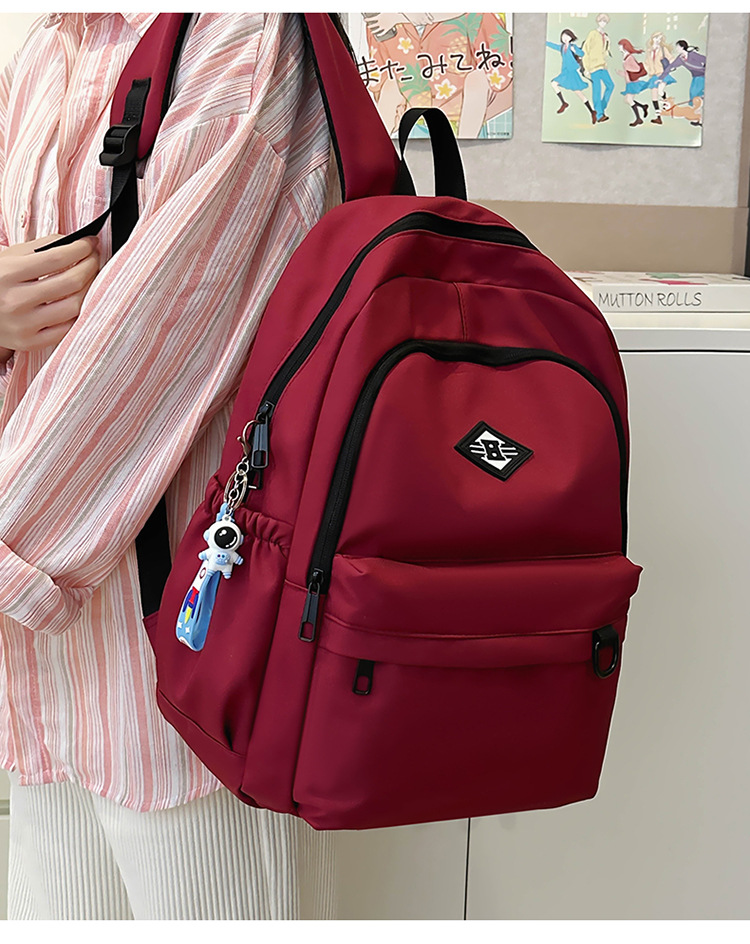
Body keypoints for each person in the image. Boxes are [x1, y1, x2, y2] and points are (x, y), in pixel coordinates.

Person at [0, 12, 338, 920]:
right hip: (42, 678)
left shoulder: (244, 33)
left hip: (187, 662)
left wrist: (8, 548)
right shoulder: (47, 47)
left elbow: (162, 334)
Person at [545, 28, 596, 124]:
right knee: (554, 83)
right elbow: (552, 45)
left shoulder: (573, 46)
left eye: (567, 36)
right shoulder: (561, 47)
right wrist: (544, 42)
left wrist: (575, 50)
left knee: (579, 93)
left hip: (572, 73)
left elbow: (582, 53)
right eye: (563, 36)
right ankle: (564, 103)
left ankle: (592, 111)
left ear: (571, 38)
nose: (565, 38)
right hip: (565, 72)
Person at [660, 38, 706, 126]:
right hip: (696, 76)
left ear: (682, 47)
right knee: (693, 94)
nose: (676, 49)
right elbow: (671, 66)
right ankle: (697, 118)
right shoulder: (681, 58)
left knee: (697, 94)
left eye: (677, 47)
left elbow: (705, 59)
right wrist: (661, 78)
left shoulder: (692, 55)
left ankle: (700, 118)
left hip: (703, 75)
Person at [582, 12, 614, 123]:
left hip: (602, 65)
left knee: (610, 85)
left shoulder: (605, 36)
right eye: (601, 21)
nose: (603, 23)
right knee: (597, 89)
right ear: (598, 21)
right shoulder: (593, 34)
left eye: (605, 21)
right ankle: (599, 115)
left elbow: (605, 53)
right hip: (593, 66)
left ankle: (600, 108)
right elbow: (585, 50)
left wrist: (608, 42)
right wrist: (586, 68)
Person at [616, 38, 649, 127]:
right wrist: (621, 73)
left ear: (624, 46)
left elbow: (637, 69)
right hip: (629, 82)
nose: (619, 47)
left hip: (633, 83)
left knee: (629, 99)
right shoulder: (625, 57)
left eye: (620, 46)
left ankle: (639, 118)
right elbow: (628, 73)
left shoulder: (629, 57)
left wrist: (627, 69)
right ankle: (643, 107)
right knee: (627, 100)